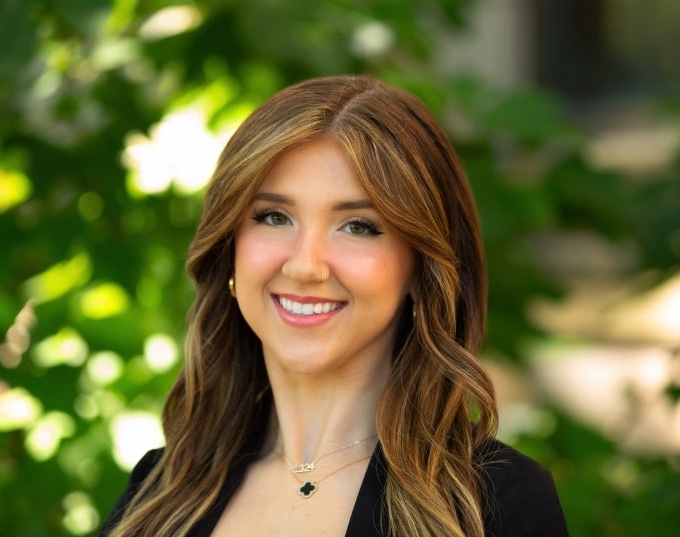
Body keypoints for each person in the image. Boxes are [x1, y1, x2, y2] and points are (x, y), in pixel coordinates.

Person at [100, 75, 569, 537]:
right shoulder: (157, 496)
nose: (306, 266)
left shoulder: (496, 504)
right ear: (229, 247)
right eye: (274, 217)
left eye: (358, 226)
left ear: (419, 267)